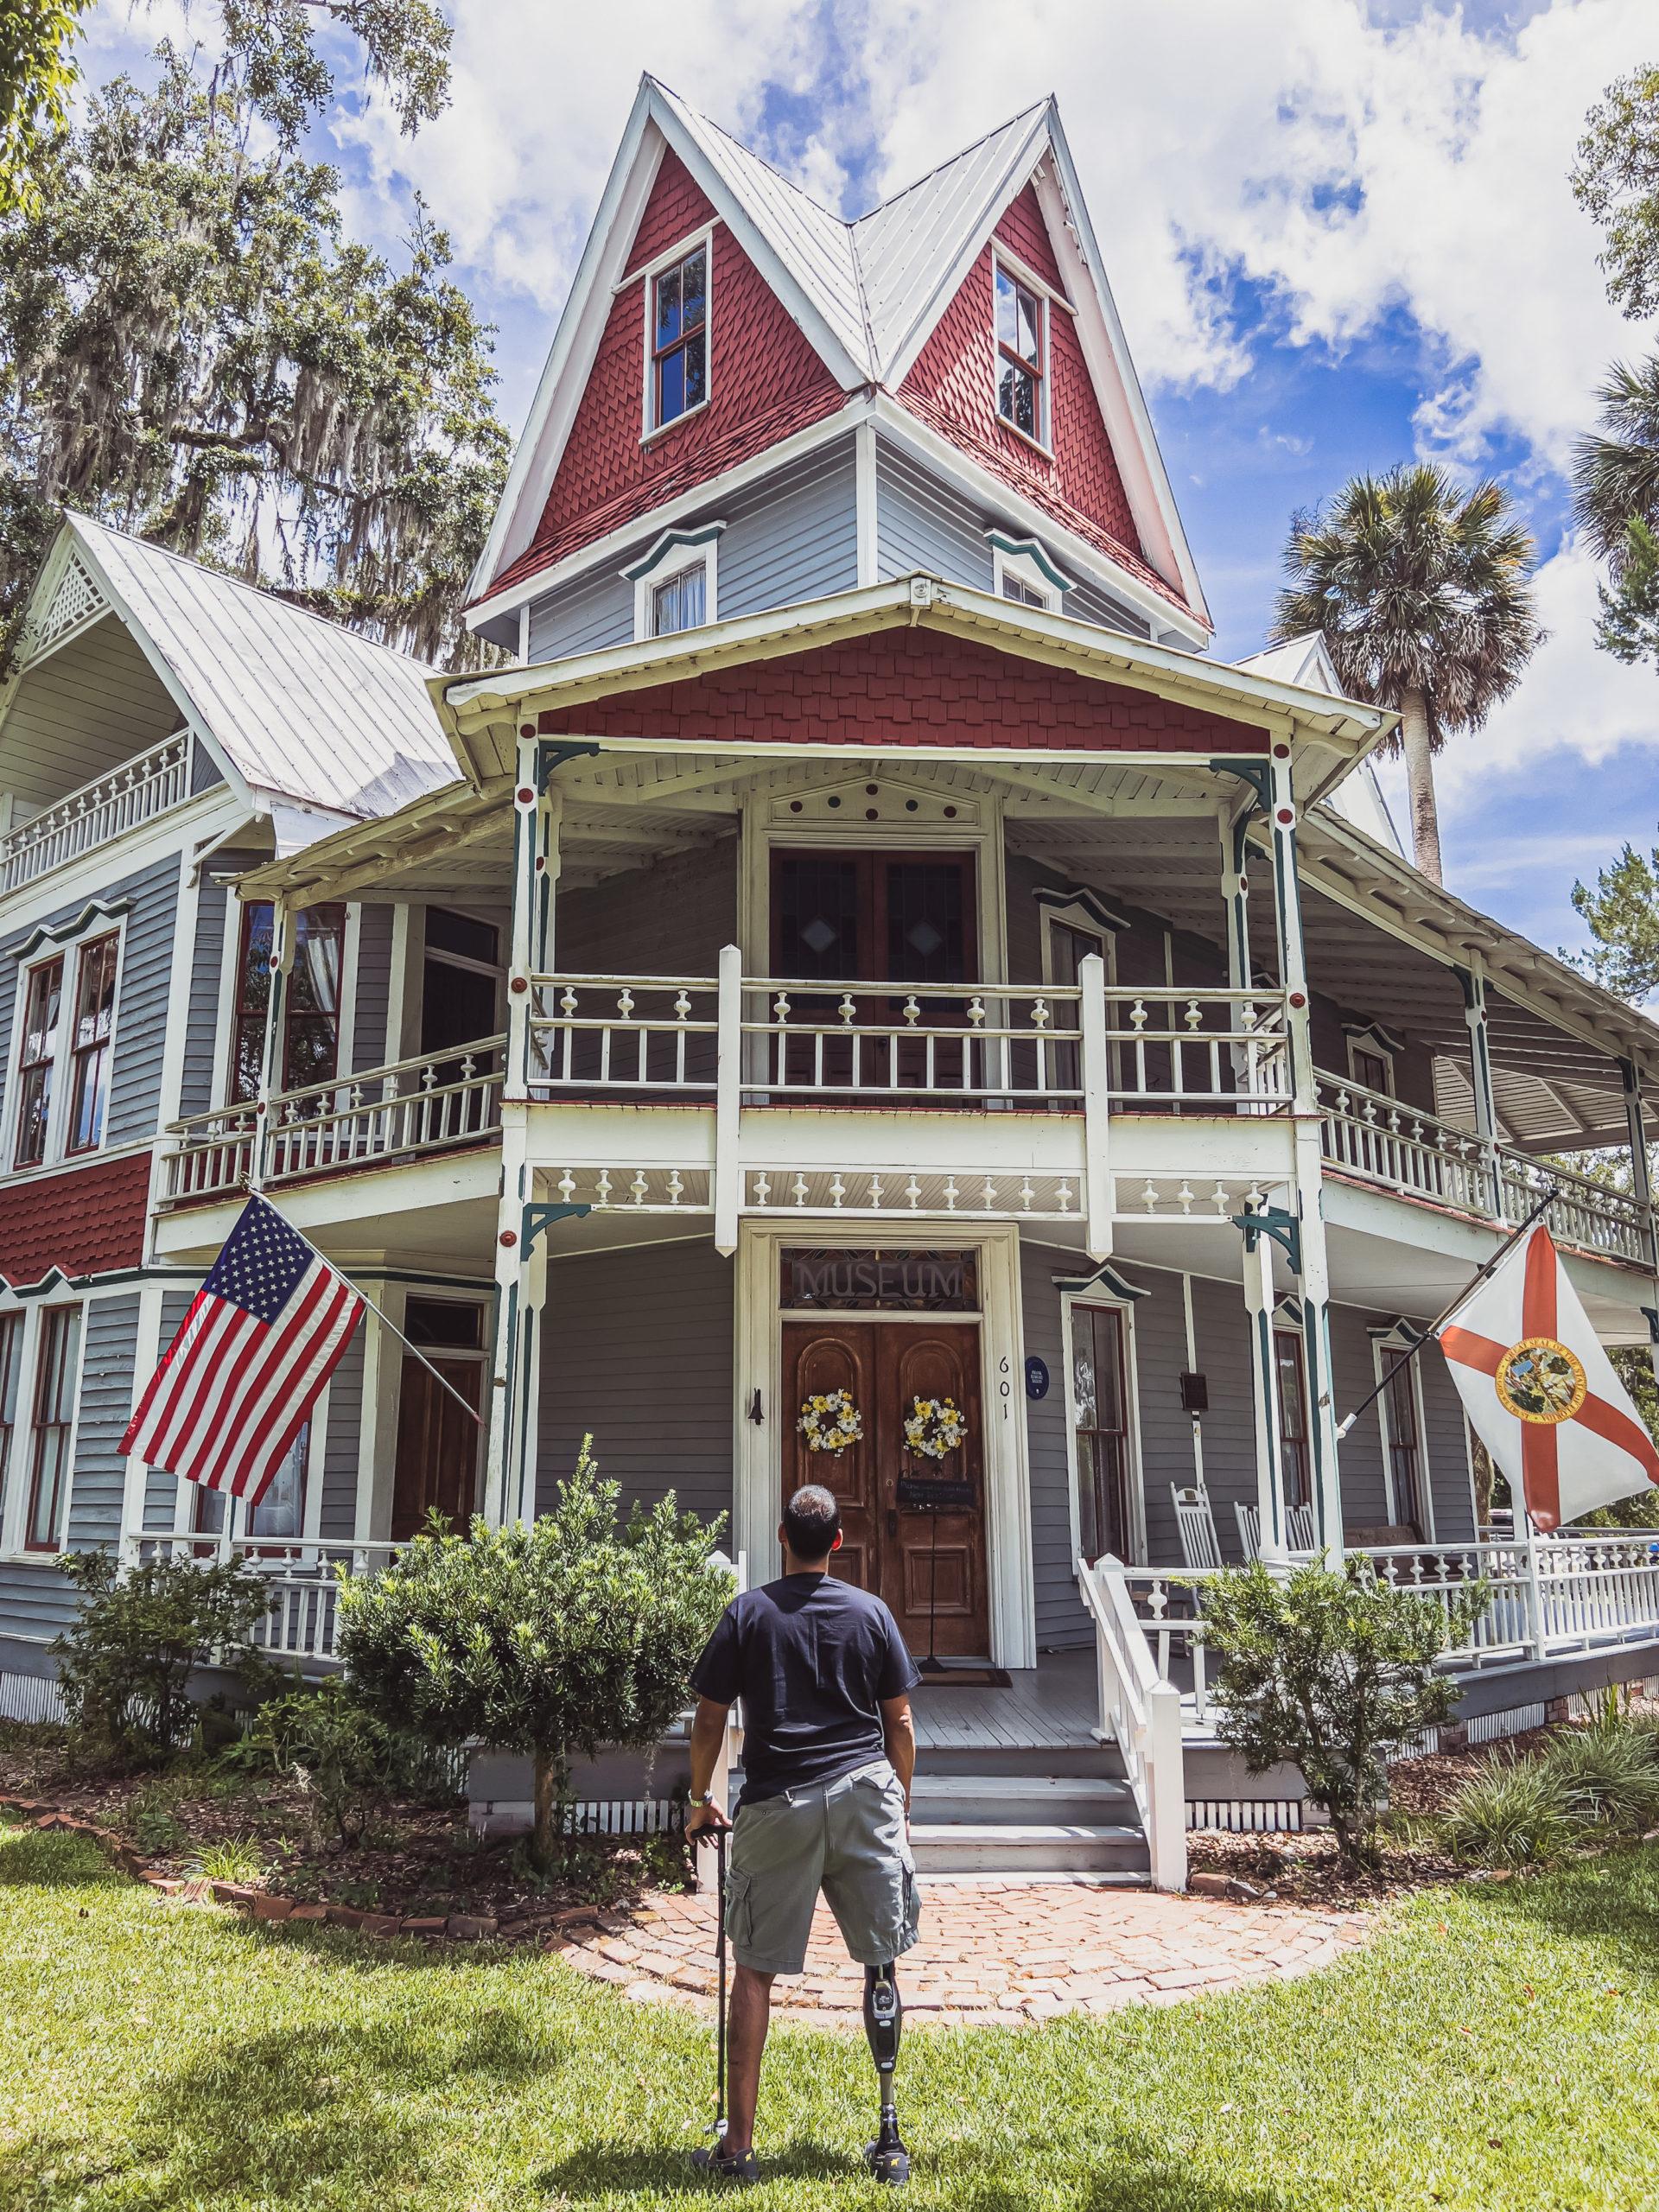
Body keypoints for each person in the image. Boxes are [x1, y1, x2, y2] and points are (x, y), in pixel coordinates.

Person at [683, 1483, 921, 2183]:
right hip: (862, 1796)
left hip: (775, 1803)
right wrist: (898, 1801)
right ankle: (888, 2141)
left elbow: (706, 1719)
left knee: (754, 1970)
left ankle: (740, 2152)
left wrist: (701, 1797)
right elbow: (900, 1724)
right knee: (880, 1962)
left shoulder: (749, 1613)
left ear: (783, 1538)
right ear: (838, 1544)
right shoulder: (872, 1612)